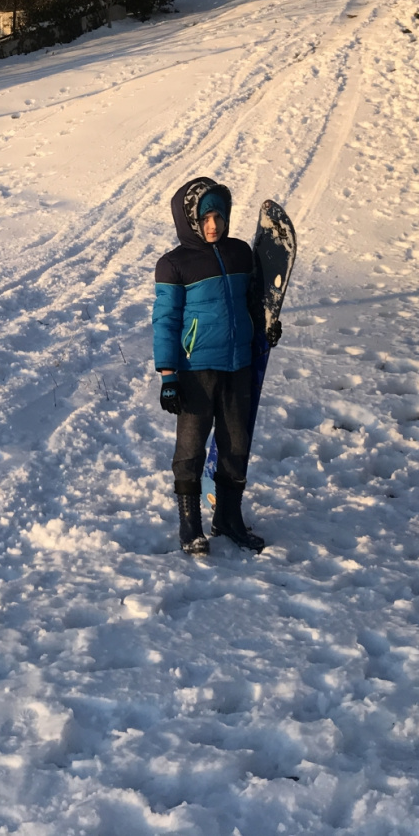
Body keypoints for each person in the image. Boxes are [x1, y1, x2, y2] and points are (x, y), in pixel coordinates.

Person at [152, 176, 280, 555]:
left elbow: (254, 303)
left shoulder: (240, 253)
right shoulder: (174, 265)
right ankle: (190, 525)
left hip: (239, 364)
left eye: (219, 217)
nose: (213, 225)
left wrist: (266, 328)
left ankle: (228, 517)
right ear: (190, 219)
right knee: (190, 449)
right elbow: (165, 321)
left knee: (236, 445)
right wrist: (168, 376)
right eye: (205, 218)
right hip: (197, 369)